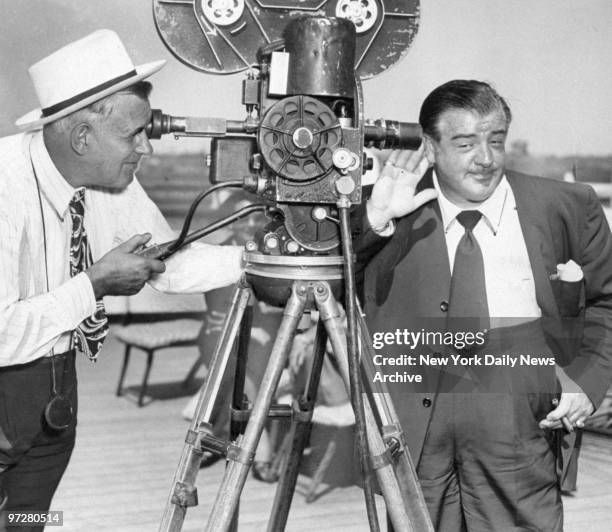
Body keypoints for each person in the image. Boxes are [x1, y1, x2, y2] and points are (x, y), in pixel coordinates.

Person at [0, 30, 243, 528]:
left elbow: (169, 264)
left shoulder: (112, 183)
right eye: (134, 134)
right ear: (82, 137)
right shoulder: (5, 188)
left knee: (26, 522)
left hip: (52, 407)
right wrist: (95, 285)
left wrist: (263, 258)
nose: (147, 148)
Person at [353, 79, 612, 531]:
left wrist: (585, 385)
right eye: (465, 143)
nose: (486, 159)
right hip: (416, 426)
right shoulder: (392, 208)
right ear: (430, 148)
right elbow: (323, 288)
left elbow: (606, 303)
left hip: (518, 422)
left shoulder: (568, 206)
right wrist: (376, 222)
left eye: (496, 141)